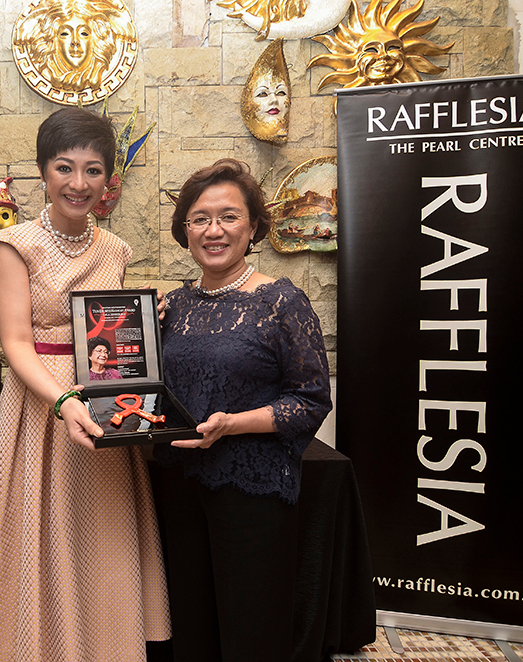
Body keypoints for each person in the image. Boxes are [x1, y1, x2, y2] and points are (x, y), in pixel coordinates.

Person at [0, 107, 170, 662]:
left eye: (92, 170)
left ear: (109, 179)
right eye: (64, 168)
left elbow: (116, 340)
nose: (78, 184)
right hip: (41, 406)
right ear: (43, 172)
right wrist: (61, 400)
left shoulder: (116, 250)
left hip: (105, 407)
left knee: (100, 532)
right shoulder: (15, 243)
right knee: (42, 534)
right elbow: (15, 343)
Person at [154, 158, 332, 661]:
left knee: (251, 627)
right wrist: (141, 326)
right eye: (200, 218)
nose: (214, 230)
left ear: (253, 225)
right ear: (184, 229)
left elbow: (311, 399)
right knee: (189, 624)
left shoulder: (281, 301)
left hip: (251, 486)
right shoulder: (174, 306)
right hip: (178, 484)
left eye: (229, 217)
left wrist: (233, 425)